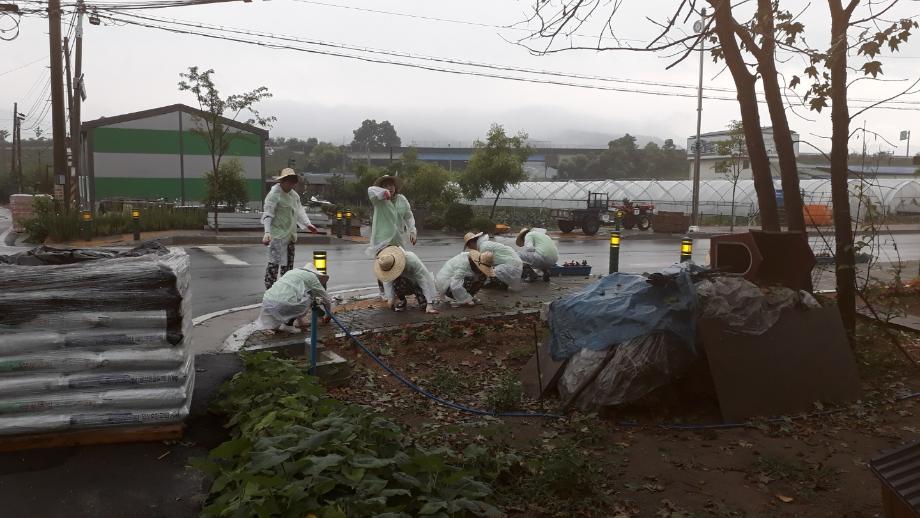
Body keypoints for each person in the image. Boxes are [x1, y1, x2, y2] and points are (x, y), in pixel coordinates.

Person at [261, 168, 318, 289]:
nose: (291, 185)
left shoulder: (294, 195)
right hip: (277, 236)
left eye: (293, 182)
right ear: (282, 181)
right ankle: (270, 290)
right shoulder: (274, 195)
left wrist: (308, 224)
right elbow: (268, 214)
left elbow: (300, 211)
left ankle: (285, 289)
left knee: (288, 266)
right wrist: (267, 232)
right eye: (289, 181)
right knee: (274, 264)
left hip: (290, 235)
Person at [256, 263, 333, 334]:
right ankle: (288, 325)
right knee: (308, 298)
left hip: (267, 300)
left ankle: (275, 326)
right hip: (283, 303)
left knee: (294, 296)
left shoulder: (292, 272)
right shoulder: (312, 277)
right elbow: (326, 299)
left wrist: (301, 323)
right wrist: (328, 315)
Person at [373, 245, 439, 314]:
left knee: (424, 307)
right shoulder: (386, 261)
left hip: (417, 283)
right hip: (403, 283)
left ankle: (424, 299)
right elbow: (387, 281)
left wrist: (429, 303)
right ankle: (402, 300)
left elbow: (423, 281)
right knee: (392, 281)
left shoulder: (412, 261)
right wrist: (390, 298)